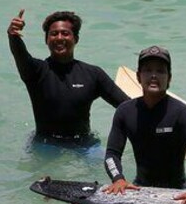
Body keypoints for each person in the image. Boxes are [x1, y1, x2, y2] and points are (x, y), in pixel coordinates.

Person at [103, 46, 186, 204]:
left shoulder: (182, 112)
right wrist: (118, 179)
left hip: (179, 190)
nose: (154, 76)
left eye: (161, 71)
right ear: (138, 77)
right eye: (147, 70)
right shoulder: (125, 112)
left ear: (169, 78)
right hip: (140, 188)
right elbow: (112, 154)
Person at [8, 10, 129, 146]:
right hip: (46, 143)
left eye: (65, 33)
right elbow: (19, 54)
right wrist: (13, 35)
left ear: (75, 39)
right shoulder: (35, 72)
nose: (59, 38)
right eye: (54, 34)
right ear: (46, 40)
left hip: (84, 143)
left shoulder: (93, 74)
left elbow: (126, 106)